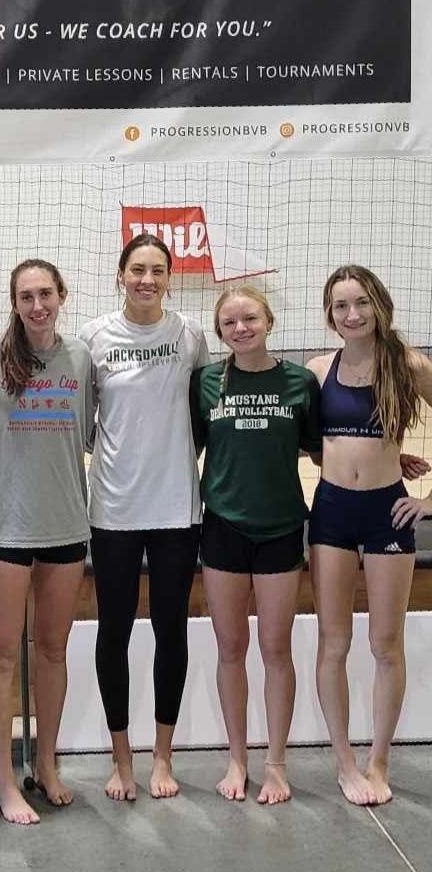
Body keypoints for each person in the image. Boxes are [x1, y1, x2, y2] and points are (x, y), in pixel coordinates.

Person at [0, 259, 94, 825]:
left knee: (54, 651)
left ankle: (47, 764)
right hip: (5, 529)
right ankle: (6, 781)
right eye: (26, 296)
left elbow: (86, 433)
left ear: (61, 295)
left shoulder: (81, 357)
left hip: (67, 525)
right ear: (14, 302)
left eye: (46, 294)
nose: (37, 305)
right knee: (5, 655)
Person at [79, 233, 209, 801]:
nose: (147, 279)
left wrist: (172, 459)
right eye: (138, 269)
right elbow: (84, 421)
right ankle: (121, 760)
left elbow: (202, 416)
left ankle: (162, 757)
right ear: (120, 273)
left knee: (170, 631)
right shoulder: (93, 339)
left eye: (158, 270)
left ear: (169, 277)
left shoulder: (190, 337)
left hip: (178, 508)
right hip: (113, 510)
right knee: (114, 630)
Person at [190, 285, 322, 804]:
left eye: (249, 318)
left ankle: (276, 764)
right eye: (229, 323)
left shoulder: (300, 383)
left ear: (269, 321)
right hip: (222, 527)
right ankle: (237, 759)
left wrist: (386, 460)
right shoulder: (205, 383)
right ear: (220, 331)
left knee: (275, 648)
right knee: (230, 648)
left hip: (281, 528)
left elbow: (322, 449)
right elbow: (187, 446)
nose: (240, 328)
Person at [306, 265, 432, 805]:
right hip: (331, 511)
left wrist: (428, 501)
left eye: (360, 302)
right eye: (340, 306)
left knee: (386, 644)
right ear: (330, 314)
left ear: (379, 304)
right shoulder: (316, 370)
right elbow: (313, 442)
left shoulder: (409, 365)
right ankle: (345, 762)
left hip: (387, 511)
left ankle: (379, 760)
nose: (351, 314)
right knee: (334, 643)